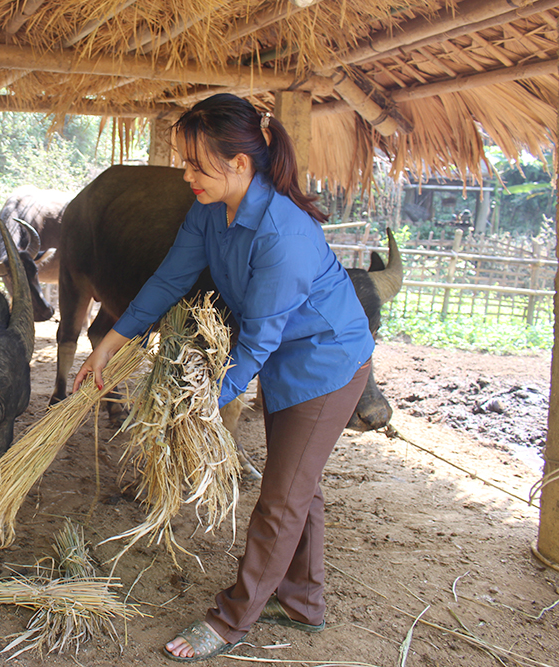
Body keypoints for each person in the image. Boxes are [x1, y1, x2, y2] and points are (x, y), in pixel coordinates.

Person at [72, 93, 375, 662]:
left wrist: (203, 406)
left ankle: (232, 620)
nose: (185, 175)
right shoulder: (211, 209)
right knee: (296, 484)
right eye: (183, 160)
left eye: (196, 163)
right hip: (284, 356)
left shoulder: (282, 236)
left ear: (240, 163)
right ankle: (305, 602)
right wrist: (110, 343)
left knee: (281, 497)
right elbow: (167, 281)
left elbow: (259, 339)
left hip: (326, 361)